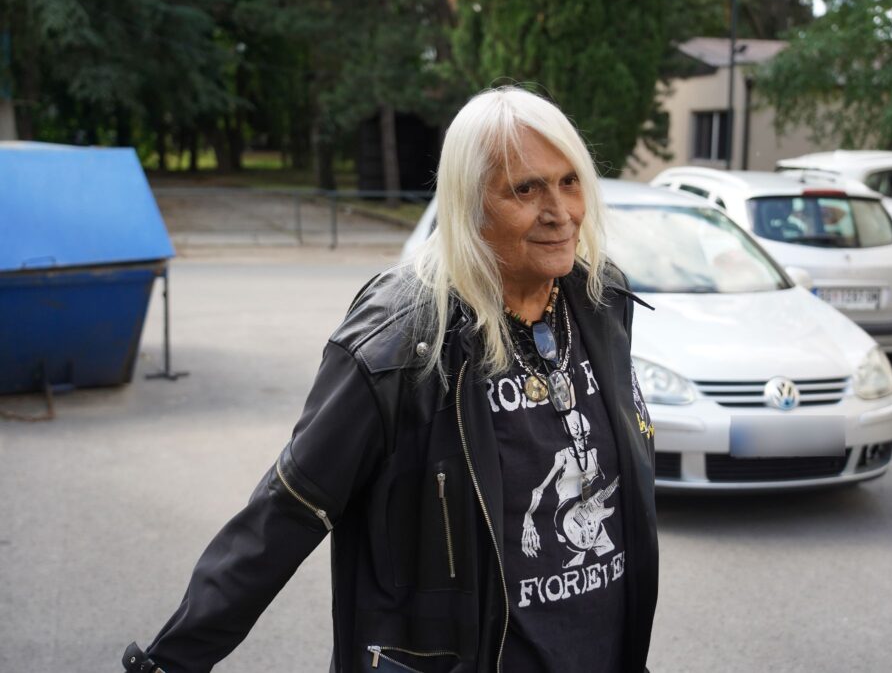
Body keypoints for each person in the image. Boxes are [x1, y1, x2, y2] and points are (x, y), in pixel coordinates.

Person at [122, 86, 659, 673]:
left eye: (569, 181)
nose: (560, 212)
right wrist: (170, 661)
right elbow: (289, 509)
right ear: (469, 204)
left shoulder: (600, 301)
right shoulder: (401, 342)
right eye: (525, 189)